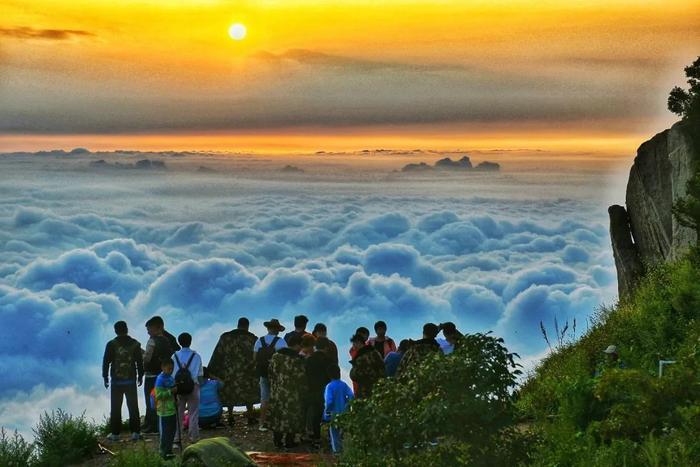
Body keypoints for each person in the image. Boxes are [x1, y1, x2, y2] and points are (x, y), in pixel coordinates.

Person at [208, 317, 259, 427]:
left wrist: (210, 371)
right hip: (247, 373)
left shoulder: (225, 337)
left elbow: (217, 355)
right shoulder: (252, 339)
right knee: (248, 392)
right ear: (247, 326)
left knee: (230, 392)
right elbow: (257, 357)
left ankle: (230, 417)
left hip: (229, 373)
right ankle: (250, 417)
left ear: (238, 325)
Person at [102, 320, 143, 442]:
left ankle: (115, 434)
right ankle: (135, 433)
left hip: (116, 382)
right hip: (130, 381)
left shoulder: (111, 344)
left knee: (115, 407)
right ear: (127, 329)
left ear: (115, 331)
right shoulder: (135, 344)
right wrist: (140, 376)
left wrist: (105, 377)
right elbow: (139, 362)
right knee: (133, 406)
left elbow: (106, 362)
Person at [268, 334, 308, 449]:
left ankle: (277, 441)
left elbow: (270, 373)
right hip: (292, 394)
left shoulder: (276, 356)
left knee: (277, 417)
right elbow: (301, 378)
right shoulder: (297, 360)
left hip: (277, 392)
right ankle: (289, 441)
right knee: (292, 418)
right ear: (297, 345)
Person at [142, 316, 179, 434]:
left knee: (151, 400)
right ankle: (160, 424)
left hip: (152, 375)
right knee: (162, 400)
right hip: (164, 375)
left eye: (149, 329)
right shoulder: (168, 340)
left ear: (158, 327)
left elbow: (147, 359)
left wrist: (140, 354)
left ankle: (152, 426)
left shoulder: (152, 341)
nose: (148, 332)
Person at [254, 318, 288, 432]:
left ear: (268, 328)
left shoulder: (259, 341)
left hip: (263, 373)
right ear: (277, 330)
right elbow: (286, 359)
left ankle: (262, 424)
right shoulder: (281, 342)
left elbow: (255, 358)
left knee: (264, 399)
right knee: (278, 398)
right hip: (277, 375)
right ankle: (277, 423)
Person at [173, 332, 203, 443]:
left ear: (179, 342)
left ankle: (177, 438)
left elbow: (172, 374)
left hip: (178, 388)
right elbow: (200, 375)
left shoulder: (174, 356)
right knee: (193, 413)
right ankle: (194, 438)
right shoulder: (196, 356)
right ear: (190, 342)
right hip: (193, 386)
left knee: (178, 413)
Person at [305, 337, 333, 448]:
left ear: (316, 347)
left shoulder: (309, 360)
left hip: (312, 390)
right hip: (326, 391)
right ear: (326, 347)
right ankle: (332, 437)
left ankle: (316, 438)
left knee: (315, 415)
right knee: (329, 414)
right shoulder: (329, 360)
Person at [324, 365, 354, 455]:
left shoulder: (329, 386)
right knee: (344, 433)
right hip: (344, 413)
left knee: (334, 433)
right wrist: (348, 406)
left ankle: (337, 453)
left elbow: (329, 401)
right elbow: (351, 396)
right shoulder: (344, 385)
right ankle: (347, 450)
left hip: (333, 414)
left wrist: (327, 412)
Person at [349, 334, 385, 399]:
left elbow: (356, 374)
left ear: (358, 342)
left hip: (365, 390)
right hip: (379, 388)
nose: (353, 346)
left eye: (354, 344)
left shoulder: (362, 357)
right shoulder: (375, 352)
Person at [155, 358, 177, 460]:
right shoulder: (160, 379)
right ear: (163, 367)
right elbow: (158, 395)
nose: (170, 371)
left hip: (172, 409)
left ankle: (169, 450)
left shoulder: (171, 378)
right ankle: (163, 451)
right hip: (163, 411)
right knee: (165, 432)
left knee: (172, 431)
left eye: (172, 369)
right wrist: (170, 391)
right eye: (168, 369)